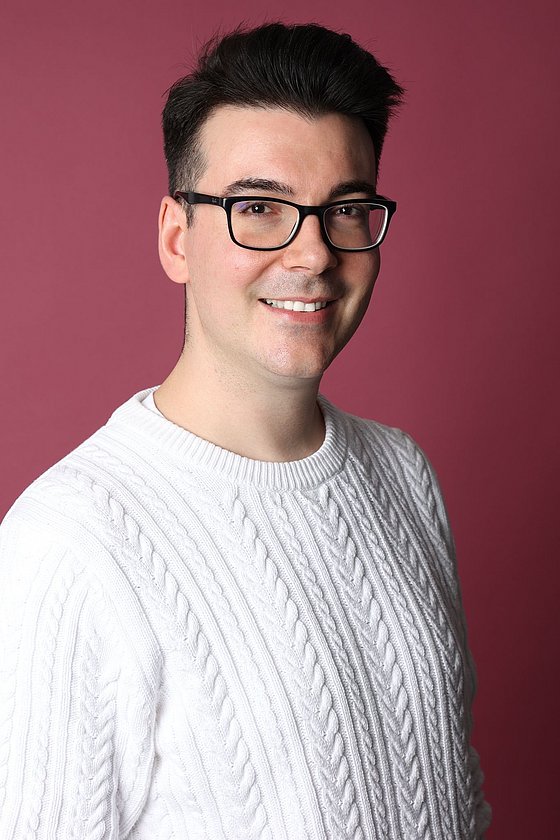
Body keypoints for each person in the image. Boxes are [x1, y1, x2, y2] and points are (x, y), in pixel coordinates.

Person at [0, 21, 491, 840]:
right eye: (258, 208)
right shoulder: (69, 541)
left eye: (346, 210)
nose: (313, 255)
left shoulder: (403, 472)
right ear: (176, 238)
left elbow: (455, 795)